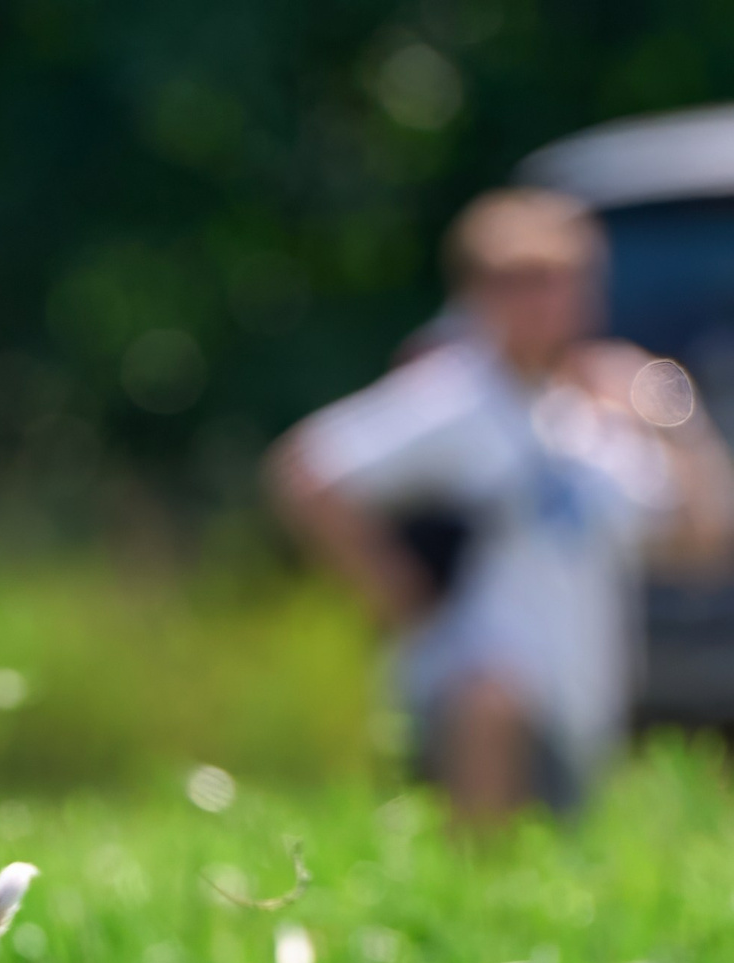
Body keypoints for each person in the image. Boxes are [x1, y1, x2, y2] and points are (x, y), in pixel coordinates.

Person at [267, 188, 734, 825]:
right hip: (477, 709)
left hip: (583, 705)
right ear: (477, 292)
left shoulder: (593, 417)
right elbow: (306, 472)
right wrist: (397, 591)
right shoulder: (449, 394)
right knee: (490, 725)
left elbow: (700, 542)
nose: (545, 299)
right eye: (521, 280)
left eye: (562, 278)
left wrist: (668, 412)